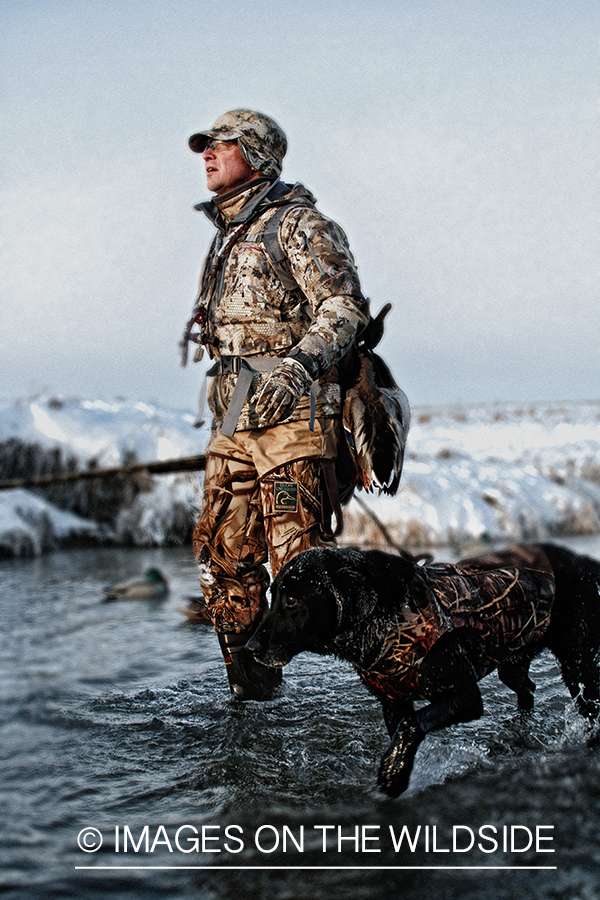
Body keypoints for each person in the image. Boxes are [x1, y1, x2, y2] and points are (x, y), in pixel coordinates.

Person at [183, 109, 370, 701]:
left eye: (222, 144)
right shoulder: (226, 237)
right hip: (235, 409)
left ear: (258, 154)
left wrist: (296, 366)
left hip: (294, 410)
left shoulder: (300, 225)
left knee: (303, 571)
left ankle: (407, 667)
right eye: (206, 146)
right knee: (221, 554)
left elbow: (344, 311)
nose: (208, 154)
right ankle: (252, 698)